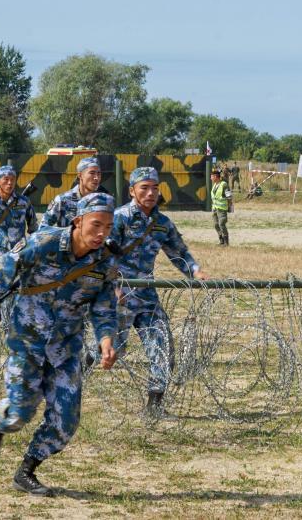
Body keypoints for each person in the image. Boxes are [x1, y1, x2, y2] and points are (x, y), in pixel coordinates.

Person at [0, 193, 119, 496]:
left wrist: (106, 340)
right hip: (28, 340)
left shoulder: (105, 261)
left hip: (66, 346)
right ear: (78, 221)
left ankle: (26, 470)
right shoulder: (45, 243)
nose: (102, 233)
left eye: (108, 227)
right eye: (96, 224)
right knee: (20, 412)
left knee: (67, 418)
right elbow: (0, 271)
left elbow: (104, 305)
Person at [110, 167, 209, 415]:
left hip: (146, 297)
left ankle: (154, 407)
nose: (151, 192)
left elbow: (179, 253)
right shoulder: (119, 218)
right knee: (111, 350)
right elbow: (102, 256)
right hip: (119, 296)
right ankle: (74, 376)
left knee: (162, 347)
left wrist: (195, 271)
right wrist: (112, 287)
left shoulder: (162, 223)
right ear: (132, 190)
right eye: (144, 187)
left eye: (155, 187)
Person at [41, 156, 102, 228]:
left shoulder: (102, 201)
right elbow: (42, 229)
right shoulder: (63, 200)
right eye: (92, 173)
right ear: (80, 175)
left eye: (99, 173)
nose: (96, 178)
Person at [210, 168, 232, 246]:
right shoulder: (215, 185)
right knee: (216, 225)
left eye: (212, 176)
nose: (211, 178)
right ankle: (221, 240)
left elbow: (229, 196)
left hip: (222, 209)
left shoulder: (224, 184)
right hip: (215, 208)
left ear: (216, 176)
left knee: (221, 224)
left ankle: (226, 242)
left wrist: (230, 206)